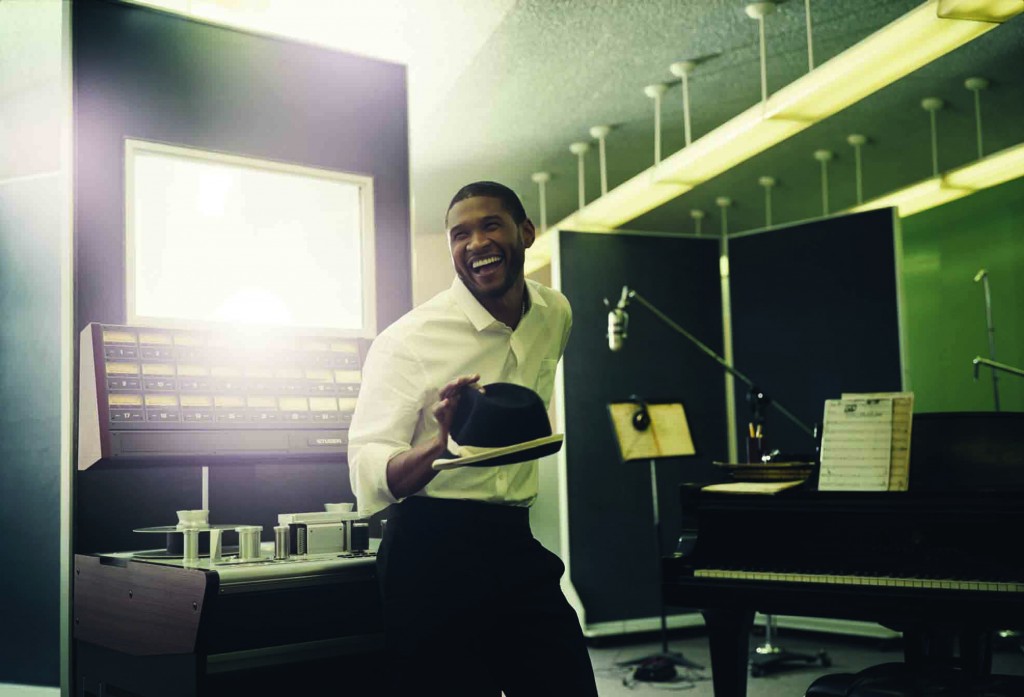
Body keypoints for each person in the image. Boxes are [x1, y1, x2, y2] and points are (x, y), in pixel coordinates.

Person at [348, 181, 598, 696]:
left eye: (490, 226)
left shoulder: (555, 313)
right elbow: (368, 470)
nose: (476, 243)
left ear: (525, 232)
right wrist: (438, 445)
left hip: (514, 539)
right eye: (460, 234)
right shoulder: (406, 340)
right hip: (430, 553)